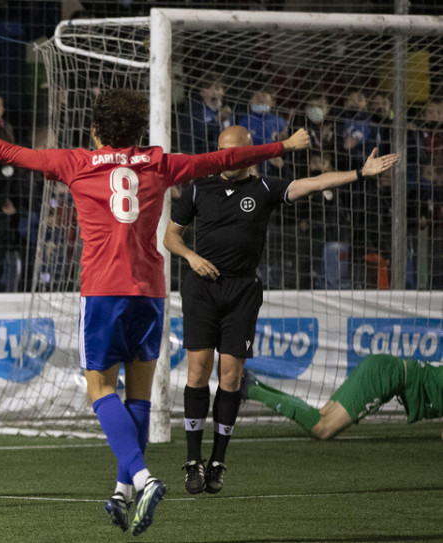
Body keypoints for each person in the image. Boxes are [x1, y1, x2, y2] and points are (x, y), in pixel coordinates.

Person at [0, 90, 311, 535]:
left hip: (103, 291)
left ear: (96, 131)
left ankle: (143, 478)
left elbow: (6, 150)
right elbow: (220, 160)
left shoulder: (76, 163)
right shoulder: (160, 163)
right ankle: (123, 491)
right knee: (138, 396)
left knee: (99, 390)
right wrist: (281, 146)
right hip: (150, 294)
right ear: (139, 130)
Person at [163, 125, 399, 496]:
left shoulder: (264, 188)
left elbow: (316, 183)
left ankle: (218, 462)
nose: (228, 159)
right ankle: (192, 461)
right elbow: (170, 237)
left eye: (235, 153)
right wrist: (191, 257)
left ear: (249, 153)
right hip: (201, 289)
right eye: (223, 151)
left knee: (231, 377)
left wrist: (359, 173)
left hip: (242, 290)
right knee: (197, 371)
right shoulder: (198, 186)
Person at [241, 354, 443, 440]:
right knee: (323, 428)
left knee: (320, 417)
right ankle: (249, 390)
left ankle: (254, 385)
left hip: (383, 367)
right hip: (386, 376)